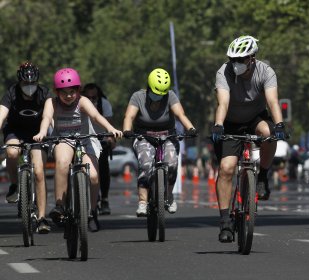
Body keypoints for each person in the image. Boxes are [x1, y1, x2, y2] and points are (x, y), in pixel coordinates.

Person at [212, 35, 287, 242]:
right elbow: (223, 103)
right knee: (226, 168)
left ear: (252, 58)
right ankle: (225, 222)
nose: (236, 64)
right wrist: (218, 125)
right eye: (233, 59)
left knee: (269, 134)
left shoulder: (266, 72)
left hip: (255, 118)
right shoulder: (224, 71)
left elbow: (272, 101)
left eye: (241, 60)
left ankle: (262, 175)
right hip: (230, 121)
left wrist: (279, 124)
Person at [33, 68, 122, 232]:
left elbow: (96, 116)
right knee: (62, 163)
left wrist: (111, 128)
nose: (68, 96)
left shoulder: (83, 101)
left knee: (94, 176)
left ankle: (92, 212)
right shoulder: (51, 103)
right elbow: (46, 118)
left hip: (86, 139)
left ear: (78, 90)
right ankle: (59, 205)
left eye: (72, 92)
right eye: (64, 92)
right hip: (64, 139)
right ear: (56, 92)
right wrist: (42, 133)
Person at [122, 68, 197, 217]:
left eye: (162, 93)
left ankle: (168, 196)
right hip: (144, 136)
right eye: (156, 93)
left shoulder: (170, 96)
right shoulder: (138, 96)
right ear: (149, 87)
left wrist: (191, 128)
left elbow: (180, 114)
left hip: (167, 136)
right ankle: (142, 202)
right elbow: (129, 116)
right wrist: (126, 130)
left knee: (172, 163)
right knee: (145, 164)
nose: (159, 96)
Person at [0, 62, 52, 234]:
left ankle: (42, 217)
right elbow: (1, 115)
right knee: (12, 152)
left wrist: (48, 131)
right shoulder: (11, 93)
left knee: (38, 172)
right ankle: (15, 185)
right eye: (25, 84)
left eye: (32, 84)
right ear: (19, 82)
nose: (29, 87)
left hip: (38, 133)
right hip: (15, 130)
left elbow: (49, 115)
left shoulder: (45, 93)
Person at [82, 83, 115, 215]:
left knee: (103, 168)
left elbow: (108, 122)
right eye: (87, 97)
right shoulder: (79, 103)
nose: (91, 101)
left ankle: (104, 199)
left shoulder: (104, 104)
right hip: (83, 137)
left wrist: (111, 137)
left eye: (94, 98)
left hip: (100, 138)